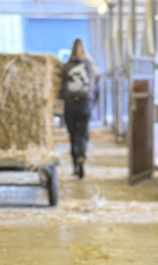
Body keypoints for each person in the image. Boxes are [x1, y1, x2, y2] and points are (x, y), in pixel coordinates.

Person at [59, 39, 99, 179]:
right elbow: (95, 85)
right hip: (85, 103)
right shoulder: (90, 65)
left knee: (73, 134)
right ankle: (82, 155)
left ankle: (75, 163)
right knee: (83, 133)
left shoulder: (66, 67)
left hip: (70, 103)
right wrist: (93, 101)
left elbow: (61, 86)